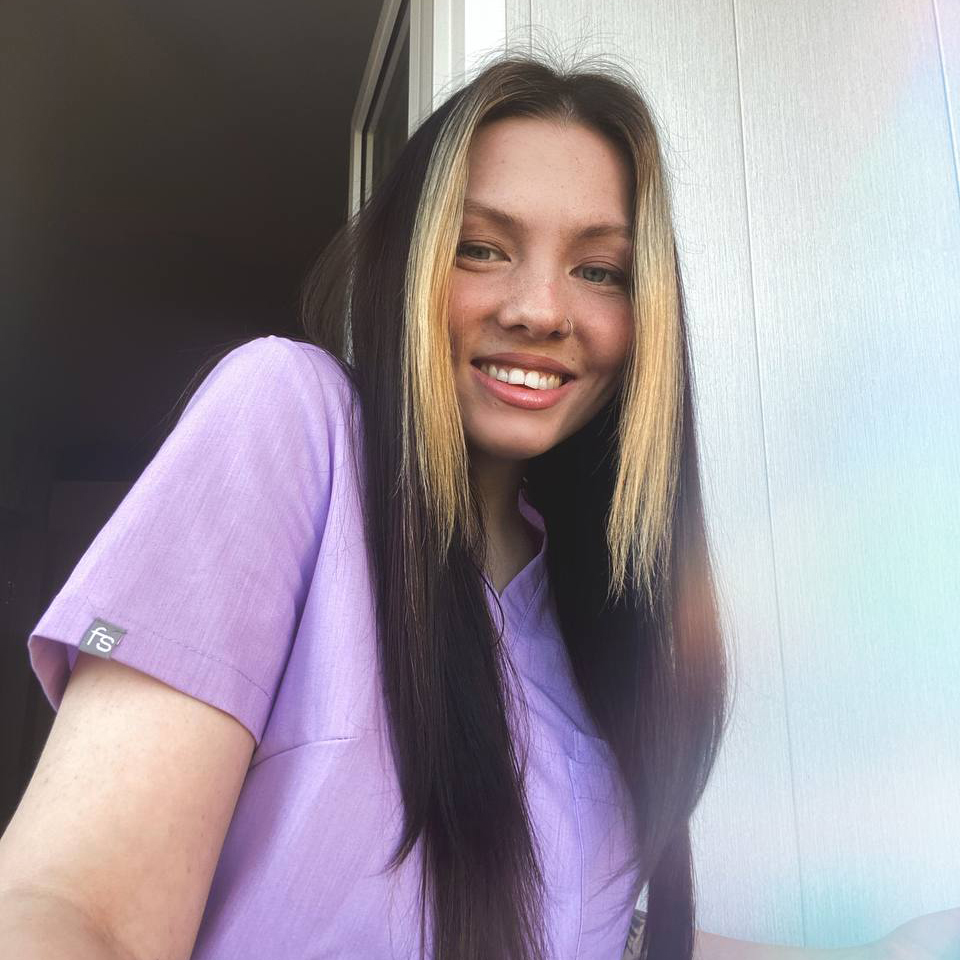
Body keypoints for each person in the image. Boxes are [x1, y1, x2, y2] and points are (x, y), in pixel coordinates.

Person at [0, 53, 957, 960]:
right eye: (482, 249)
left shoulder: (592, 613)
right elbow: (74, 907)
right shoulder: (291, 417)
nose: (540, 309)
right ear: (406, 264)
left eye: (600, 270)